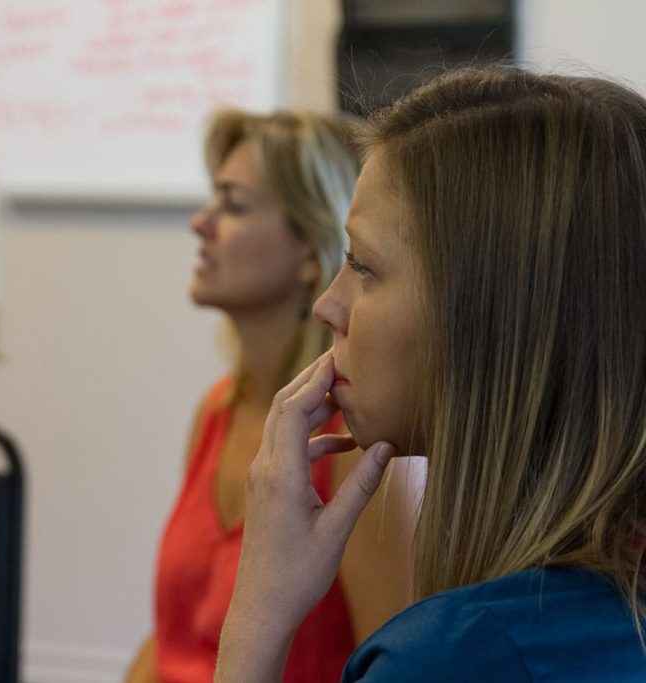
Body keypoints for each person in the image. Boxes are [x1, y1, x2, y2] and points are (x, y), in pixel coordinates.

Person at [215, 66, 646, 682]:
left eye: (363, 266)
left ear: (485, 317)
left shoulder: (452, 657)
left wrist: (259, 612)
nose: (327, 307)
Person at [125, 110, 423, 683]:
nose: (200, 224)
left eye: (233, 205)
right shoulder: (217, 410)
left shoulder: (357, 447)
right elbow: (172, 640)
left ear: (311, 250)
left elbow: (397, 663)